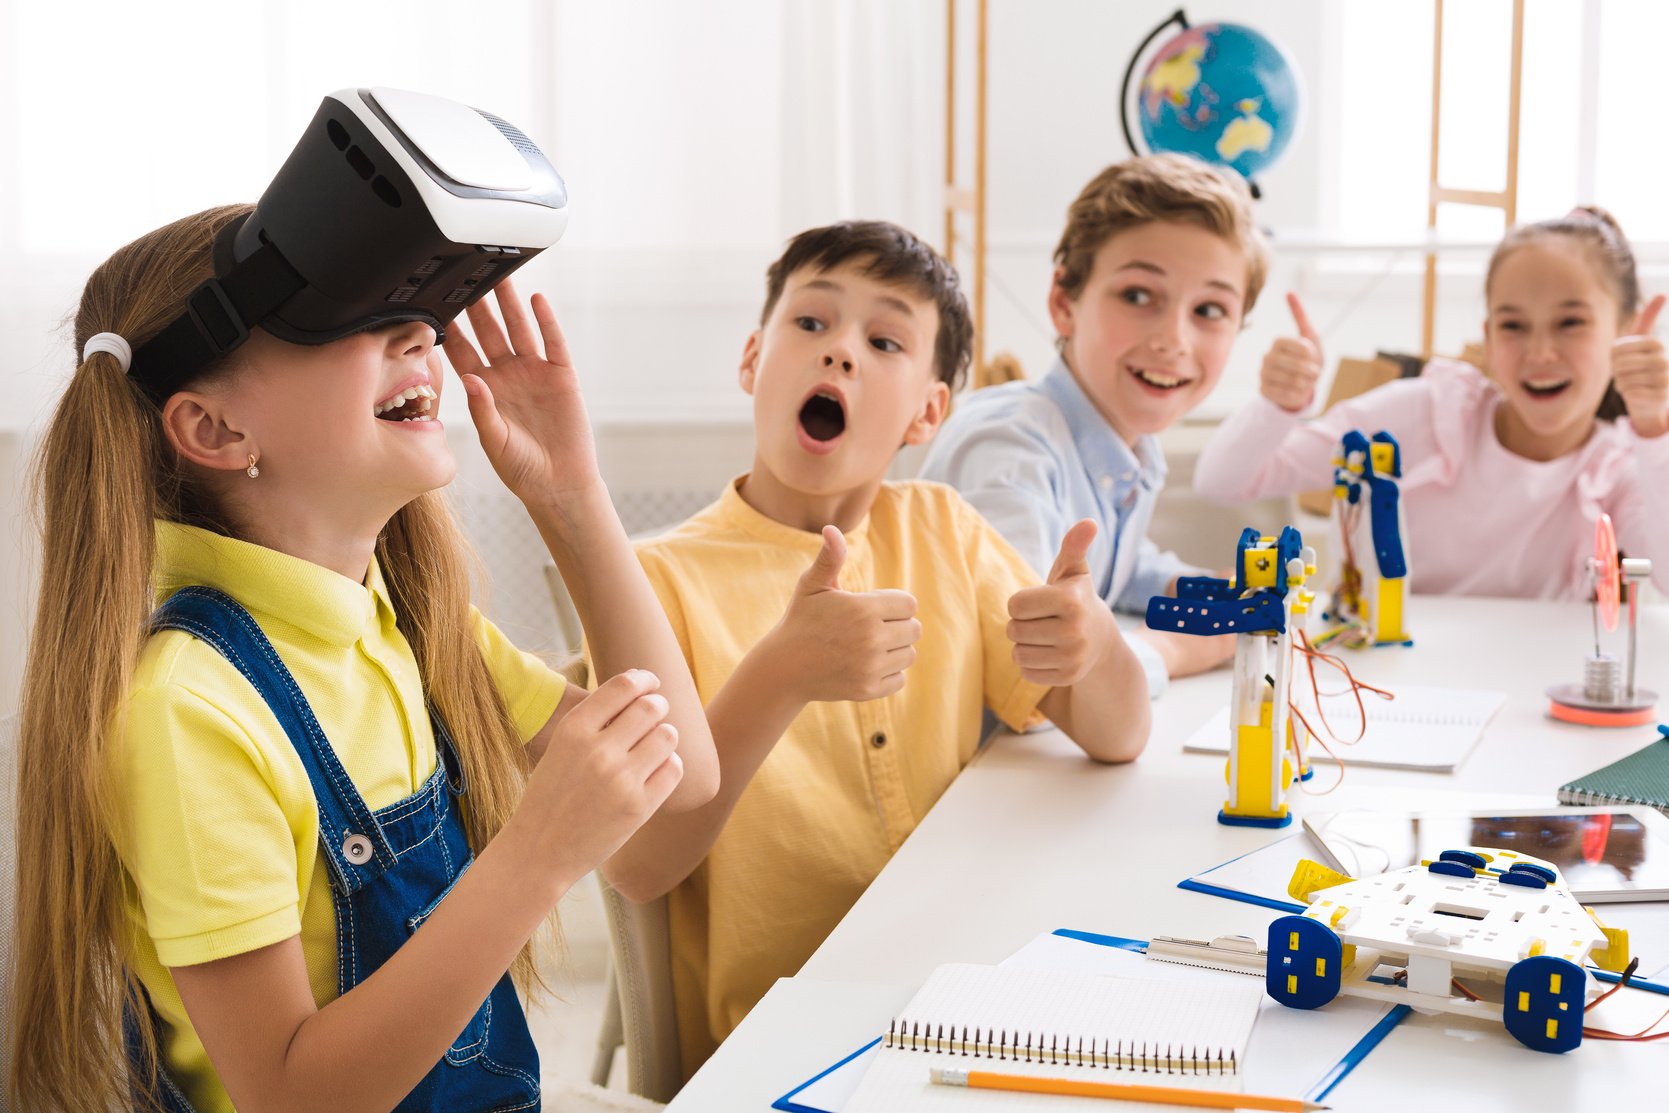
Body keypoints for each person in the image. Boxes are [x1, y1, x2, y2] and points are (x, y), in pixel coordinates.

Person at [7, 204, 717, 1113]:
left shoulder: (409, 627)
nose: (419, 333)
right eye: (348, 318)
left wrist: (570, 492)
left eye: (413, 313)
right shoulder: (189, 711)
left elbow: (681, 776)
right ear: (216, 431)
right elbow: (292, 1096)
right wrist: (536, 853)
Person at [596, 220, 1151, 1077]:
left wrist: (1092, 643)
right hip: (779, 1040)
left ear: (928, 411)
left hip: (960, 997)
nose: (840, 353)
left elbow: (1116, 732)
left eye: (883, 339)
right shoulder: (654, 580)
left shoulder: (946, 530)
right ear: (752, 360)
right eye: (811, 323)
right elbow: (637, 866)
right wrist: (779, 675)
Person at [918, 155, 1271, 694]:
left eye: (1210, 310)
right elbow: (1031, 668)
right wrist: (1179, 646)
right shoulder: (1012, 448)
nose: (1174, 339)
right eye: (1137, 295)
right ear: (1064, 303)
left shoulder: (1125, 445)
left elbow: (1113, 571)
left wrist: (1204, 592)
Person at [1194, 207, 1669, 599]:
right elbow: (1221, 481)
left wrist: (1654, 430)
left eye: (1570, 323)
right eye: (1513, 326)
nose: (1540, 353)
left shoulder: (1623, 462)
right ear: (1487, 336)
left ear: (1625, 332)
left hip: (1527, 695)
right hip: (1386, 681)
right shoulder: (1425, 413)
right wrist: (1278, 406)